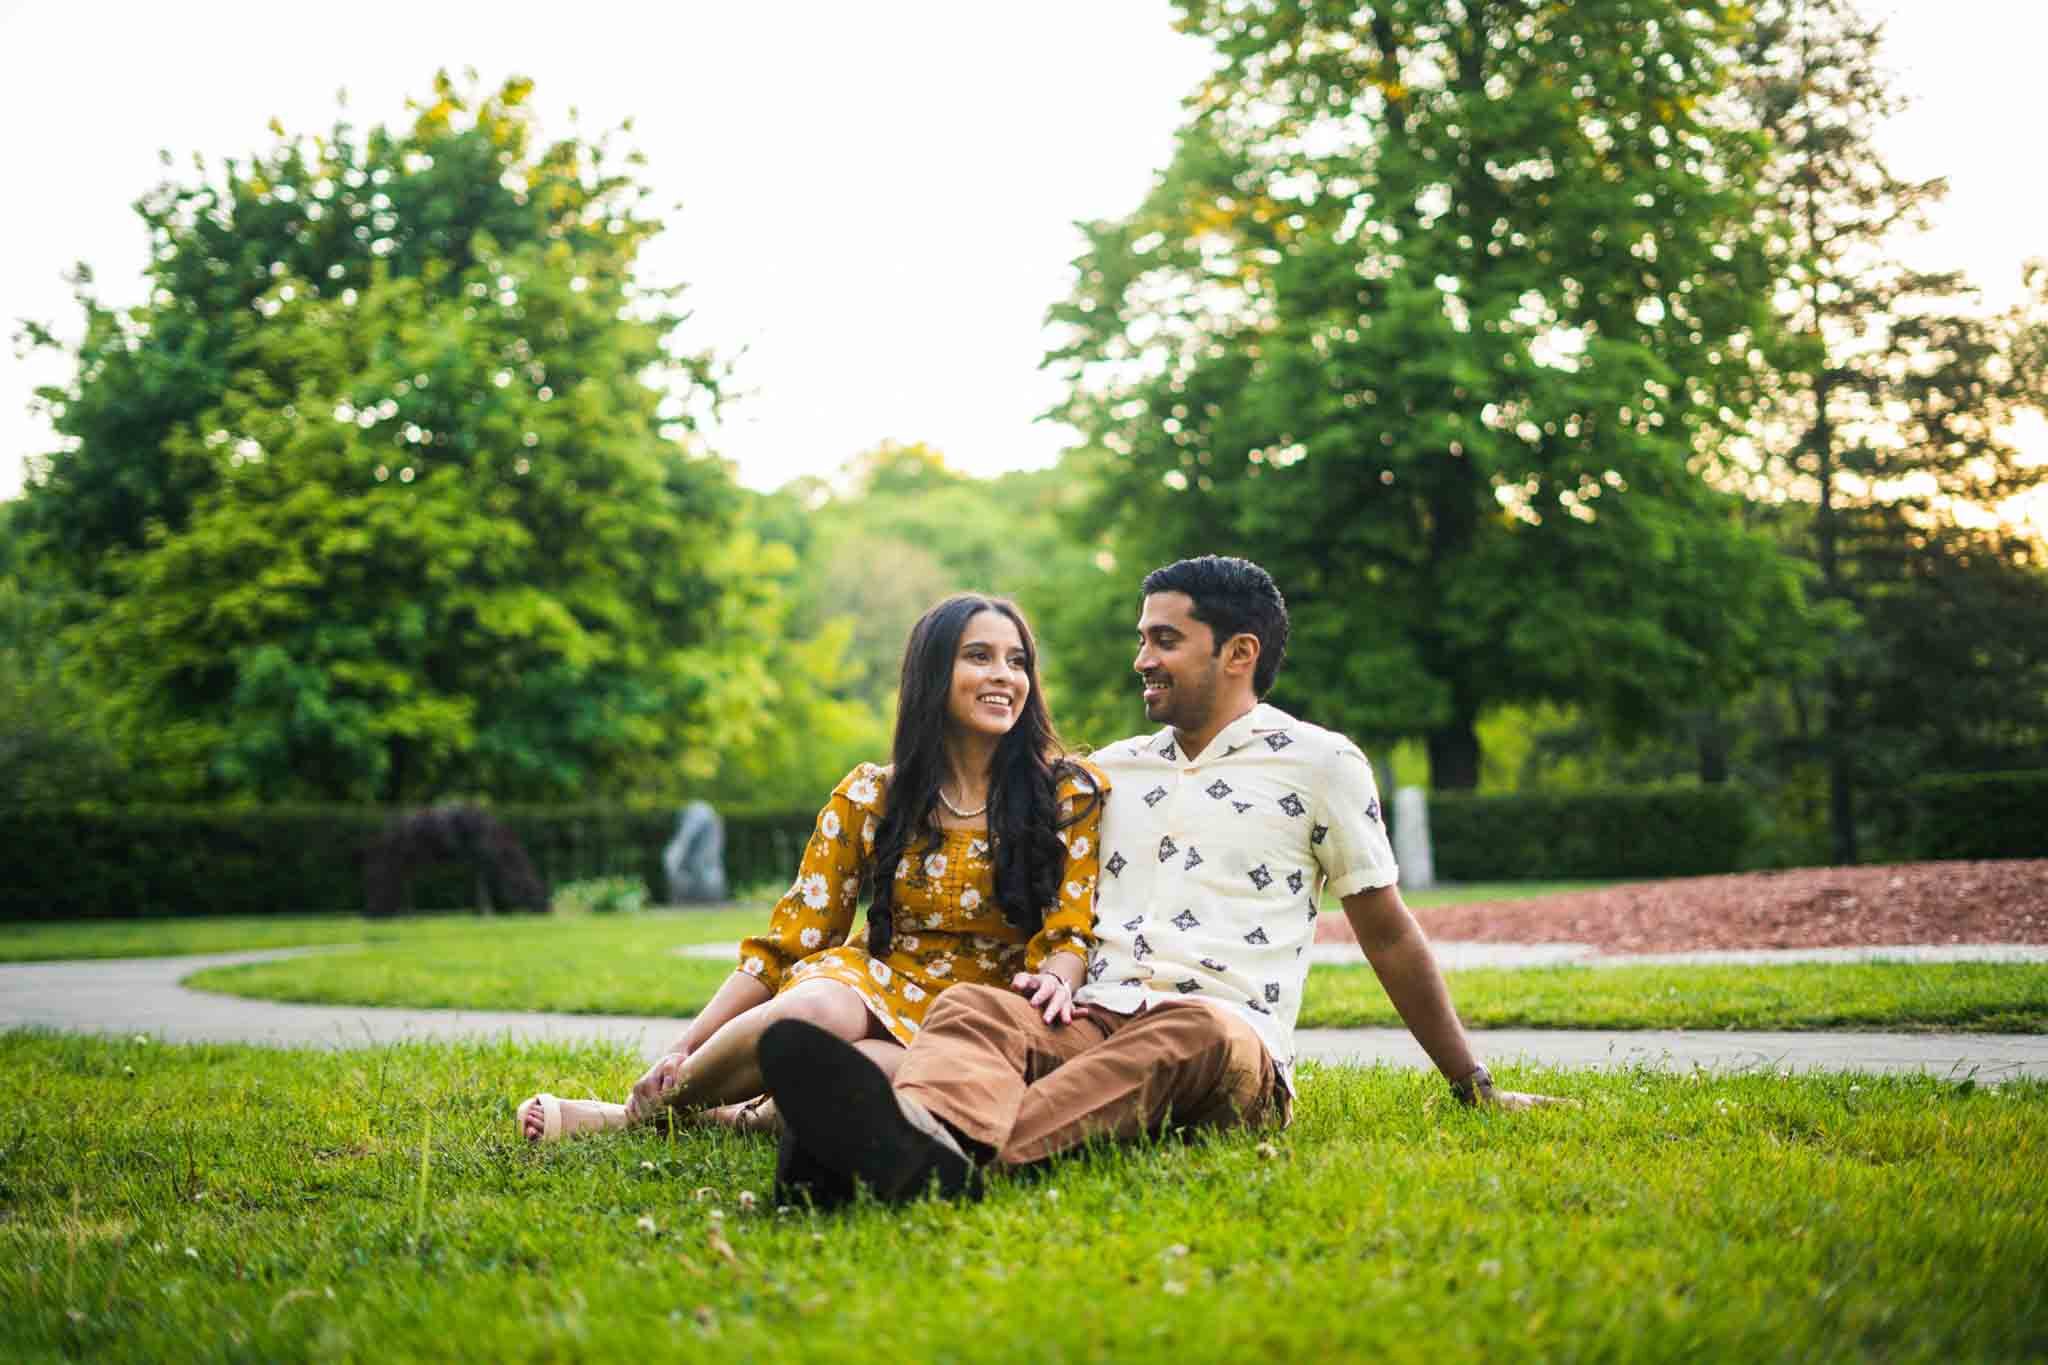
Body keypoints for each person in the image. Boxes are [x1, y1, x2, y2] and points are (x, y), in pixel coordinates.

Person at [759, 555, 1565, 1202]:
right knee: (976, 1007)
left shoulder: (1321, 765)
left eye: (1164, 640)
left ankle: (957, 1160)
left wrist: (1473, 1082)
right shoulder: (1104, 774)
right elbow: (978, 789)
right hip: (1089, 1016)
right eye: (1142, 637)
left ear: (1238, 652)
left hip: (1224, 1037)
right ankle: (917, 1140)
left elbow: (1388, 934)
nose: (1141, 657)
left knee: (1188, 1032)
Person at [516, 593, 1107, 1143]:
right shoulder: (871, 796)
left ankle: (687, 1120)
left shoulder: (1066, 795)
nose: (1005, 675)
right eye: (979, 657)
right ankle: (650, 1110)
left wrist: (1059, 976)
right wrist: (684, 1047)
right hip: (880, 984)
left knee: (864, 1083)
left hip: (980, 1015)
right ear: (933, 675)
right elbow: (788, 945)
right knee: (813, 1008)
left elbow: (1068, 932)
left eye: (1017, 660)